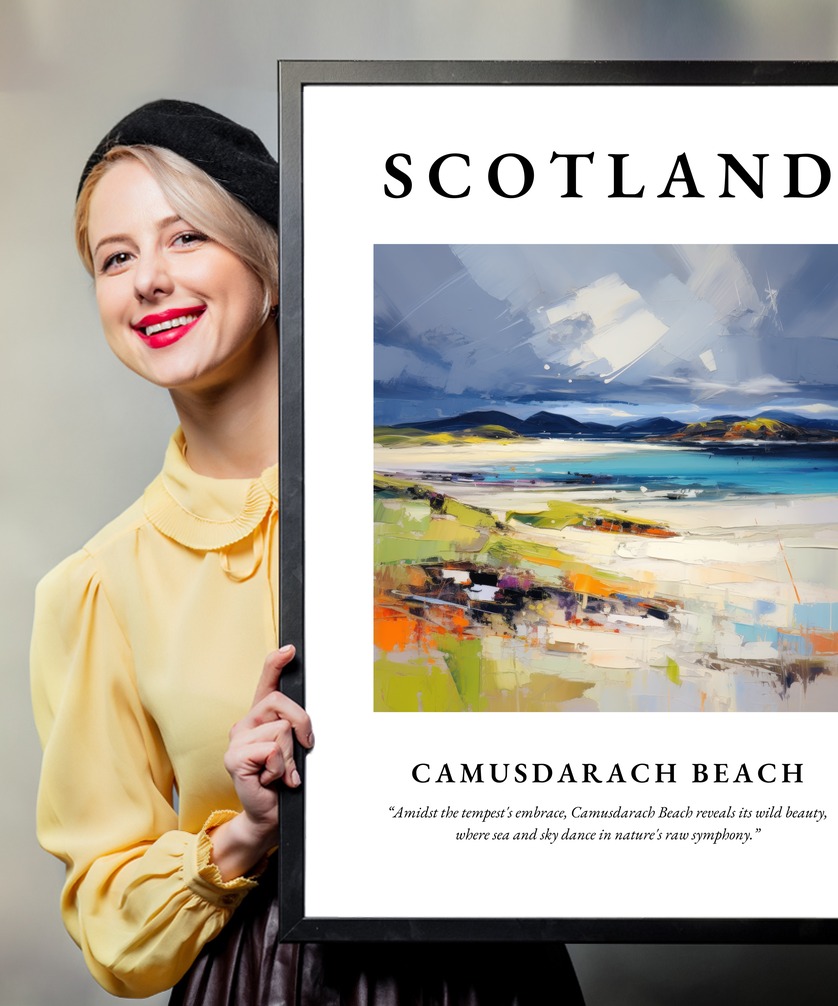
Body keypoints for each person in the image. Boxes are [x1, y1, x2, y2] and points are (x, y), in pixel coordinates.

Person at [30, 100, 585, 1004]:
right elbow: (110, 923)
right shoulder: (97, 587)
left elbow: (610, 708)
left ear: (273, 264)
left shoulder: (455, 504)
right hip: (262, 982)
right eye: (116, 257)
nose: (148, 281)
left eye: (185, 239)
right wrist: (245, 832)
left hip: (492, 974)